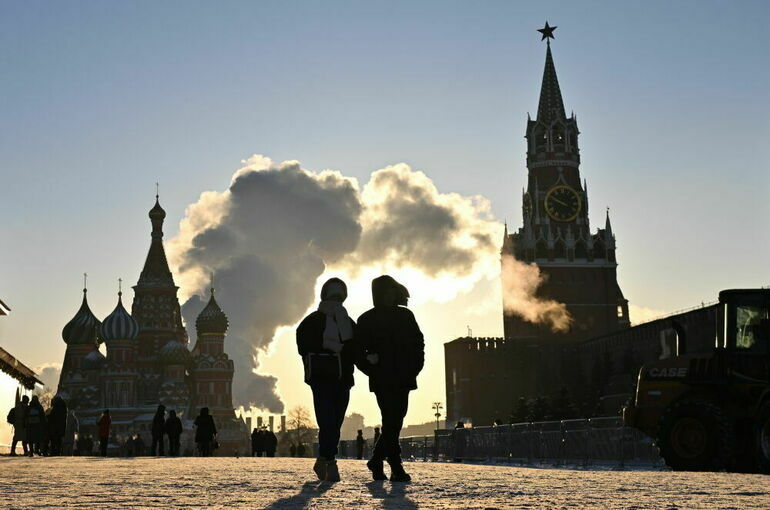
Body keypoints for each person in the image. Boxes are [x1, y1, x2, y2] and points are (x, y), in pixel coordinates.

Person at [357, 275, 425, 482]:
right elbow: (358, 352)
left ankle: (377, 460)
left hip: (404, 376)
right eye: (384, 293)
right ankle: (395, 465)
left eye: (390, 292)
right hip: (383, 378)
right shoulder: (366, 319)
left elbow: (418, 342)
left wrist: (416, 367)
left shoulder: (406, 316)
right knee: (391, 419)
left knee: (395, 421)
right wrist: (372, 368)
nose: (388, 296)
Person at [296, 277, 362, 482]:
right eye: (332, 295)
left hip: (343, 378)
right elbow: (303, 345)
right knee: (327, 420)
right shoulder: (313, 321)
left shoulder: (348, 322)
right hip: (321, 378)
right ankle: (330, 462)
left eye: (339, 296)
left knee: (336, 420)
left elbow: (355, 349)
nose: (336, 300)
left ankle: (323, 459)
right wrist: (326, 350)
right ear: (325, 295)